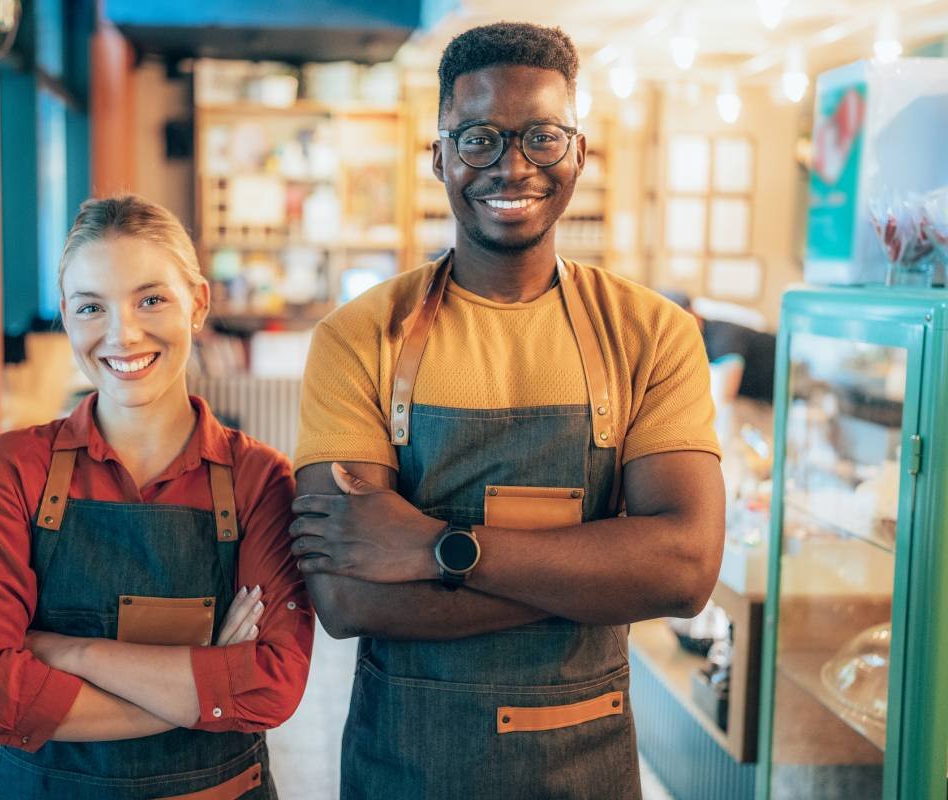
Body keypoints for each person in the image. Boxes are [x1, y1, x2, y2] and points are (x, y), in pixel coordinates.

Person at [289, 22, 725, 800]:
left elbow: (684, 570)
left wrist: (436, 547)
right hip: (408, 769)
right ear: (440, 158)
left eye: (542, 137)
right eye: (479, 137)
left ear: (579, 154)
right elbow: (348, 596)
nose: (512, 165)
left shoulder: (652, 335)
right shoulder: (357, 338)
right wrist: (592, 574)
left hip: (586, 763)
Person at [0, 196, 313, 799]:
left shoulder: (258, 479)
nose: (123, 334)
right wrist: (208, 685)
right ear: (65, 315)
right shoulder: (12, 470)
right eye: (92, 307)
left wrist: (72, 653)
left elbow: (271, 687)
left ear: (197, 303)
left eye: (151, 299)